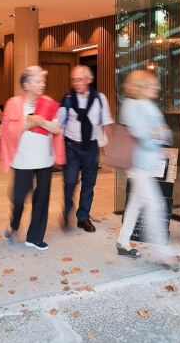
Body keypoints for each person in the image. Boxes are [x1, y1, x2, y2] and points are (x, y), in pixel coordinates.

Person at [0, 66, 64, 251]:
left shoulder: (48, 102)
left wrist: (40, 121)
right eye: (38, 81)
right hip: (22, 160)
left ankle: (34, 238)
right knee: (18, 198)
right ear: (26, 84)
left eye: (43, 81)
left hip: (44, 159)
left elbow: (57, 128)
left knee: (41, 199)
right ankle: (14, 224)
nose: (42, 84)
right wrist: (28, 123)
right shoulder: (14, 103)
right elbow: (6, 131)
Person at [115, 70, 171, 258]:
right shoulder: (131, 106)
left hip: (149, 163)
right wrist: (155, 133)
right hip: (138, 164)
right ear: (140, 87)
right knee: (154, 204)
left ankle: (122, 242)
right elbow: (140, 134)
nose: (157, 87)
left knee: (135, 204)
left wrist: (156, 133)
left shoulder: (149, 106)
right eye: (151, 85)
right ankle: (163, 253)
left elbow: (166, 134)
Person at [57, 65, 114, 232]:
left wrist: (110, 143)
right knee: (70, 180)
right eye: (74, 80)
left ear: (89, 80)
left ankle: (83, 217)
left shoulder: (99, 99)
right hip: (71, 146)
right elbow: (59, 123)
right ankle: (68, 208)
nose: (76, 83)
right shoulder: (67, 98)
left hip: (91, 146)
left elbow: (106, 121)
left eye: (80, 79)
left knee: (89, 182)